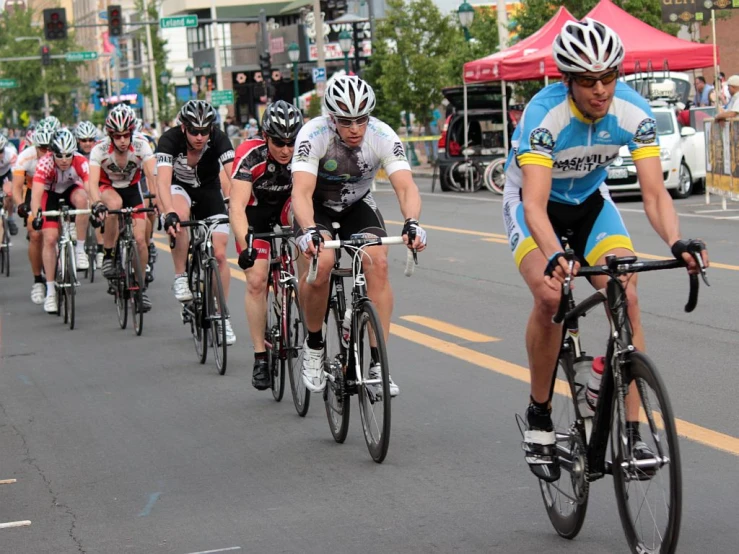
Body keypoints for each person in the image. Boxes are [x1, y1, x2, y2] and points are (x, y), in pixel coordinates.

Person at [503, 18, 710, 482]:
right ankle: (539, 412)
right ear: (568, 81)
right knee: (551, 295)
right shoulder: (544, 115)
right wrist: (556, 255)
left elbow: (655, 194)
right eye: (588, 81)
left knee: (627, 293)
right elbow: (533, 204)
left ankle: (632, 431)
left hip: (592, 206)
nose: (600, 90)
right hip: (536, 208)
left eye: (608, 78)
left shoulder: (634, 111)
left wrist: (675, 241)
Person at [291, 75, 427, 395]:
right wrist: (309, 230)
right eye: (345, 121)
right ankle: (314, 344)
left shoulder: (382, 135)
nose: (354, 128)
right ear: (331, 118)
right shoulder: (314, 134)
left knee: (378, 261)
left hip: (356, 204)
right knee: (322, 263)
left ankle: (378, 362)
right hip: (316, 207)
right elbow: (300, 192)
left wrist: (411, 222)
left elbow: (406, 186)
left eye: (361, 120)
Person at [230, 101, 303, 390]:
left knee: (310, 240)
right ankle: (260, 356)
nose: (286, 149)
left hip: (287, 207)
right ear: (264, 135)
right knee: (257, 281)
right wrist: (244, 244)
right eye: (278, 142)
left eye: (291, 141)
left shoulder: (305, 152)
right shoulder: (250, 154)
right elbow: (236, 207)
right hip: (255, 213)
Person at [157, 100, 237, 345]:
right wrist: (168, 211)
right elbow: (162, 182)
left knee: (221, 254)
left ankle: (222, 316)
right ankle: (181, 276)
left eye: (205, 131)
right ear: (184, 128)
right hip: (179, 187)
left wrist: (239, 205)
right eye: (194, 131)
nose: (200, 137)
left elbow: (234, 176)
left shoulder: (220, 139)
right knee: (180, 219)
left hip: (208, 188)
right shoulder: (169, 140)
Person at [89, 105, 158, 311]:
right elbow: (92, 184)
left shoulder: (141, 145)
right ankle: (109, 254)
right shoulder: (99, 150)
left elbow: (152, 175)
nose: (122, 140)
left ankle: (140, 287)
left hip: (132, 189)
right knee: (114, 206)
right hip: (107, 187)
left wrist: (156, 203)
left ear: (131, 133)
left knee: (140, 240)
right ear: (110, 135)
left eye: (125, 135)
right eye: (117, 136)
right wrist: (96, 203)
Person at [30, 129, 91, 313]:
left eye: (68, 155)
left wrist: (96, 206)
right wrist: (36, 215)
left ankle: (80, 250)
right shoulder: (45, 163)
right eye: (59, 156)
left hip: (72, 189)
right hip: (50, 194)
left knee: (83, 200)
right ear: (52, 153)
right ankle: (50, 291)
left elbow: (89, 187)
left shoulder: (80, 160)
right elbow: (36, 193)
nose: (64, 160)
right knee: (49, 239)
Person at [12, 126, 55, 304]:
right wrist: (20, 204)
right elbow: (16, 187)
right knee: (35, 233)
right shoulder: (26, 157)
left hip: (55, 190)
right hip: (34, 191)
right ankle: (38, 281)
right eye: (42, 148)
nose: (46, 152)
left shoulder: (60, 153)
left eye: (49, 148)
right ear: (35, 147)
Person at [0, 134, 19, 236]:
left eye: (1, 151)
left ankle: (10, 219)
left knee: (9, 193)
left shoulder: (11, 154)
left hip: (6, 174)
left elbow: (15, 174)